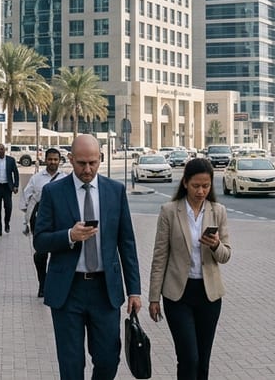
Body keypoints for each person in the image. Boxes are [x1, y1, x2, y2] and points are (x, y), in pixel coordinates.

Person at [34, 134, 142, 380]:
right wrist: (69, 236)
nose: (87, 169)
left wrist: (134, 290)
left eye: (93, 163)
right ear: (71, 159)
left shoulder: (115, 191)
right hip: (68, 290)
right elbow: (40, 240)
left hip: (105, 290)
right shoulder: (53, 192)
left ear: (100, 159)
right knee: (71, 365)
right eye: (81, 163)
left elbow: (127, 243)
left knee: (108, 359)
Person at [148, 158, 231, 380]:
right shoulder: (169, 211)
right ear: (185, 183)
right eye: (196, 186)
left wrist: (215, 245)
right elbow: (160, 256)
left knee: (203, 361)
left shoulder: (218, 211)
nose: (201, 191)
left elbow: (225, 256)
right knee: (188, 358)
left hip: (209, 295)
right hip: (178, 295)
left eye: (206, 186)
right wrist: (154, 297)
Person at [20, 147, 67, 297]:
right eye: (50, 159)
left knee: (59, 253)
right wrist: (29, 215)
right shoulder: (36, 178)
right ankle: (43, 284)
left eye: (55, 159)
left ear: (59, 161)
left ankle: (56, 284)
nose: (53, 162)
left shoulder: (65, 179)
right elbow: (26, 196)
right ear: (45, 160)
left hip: (60, 220)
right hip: (40, 220)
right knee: (41, 253)